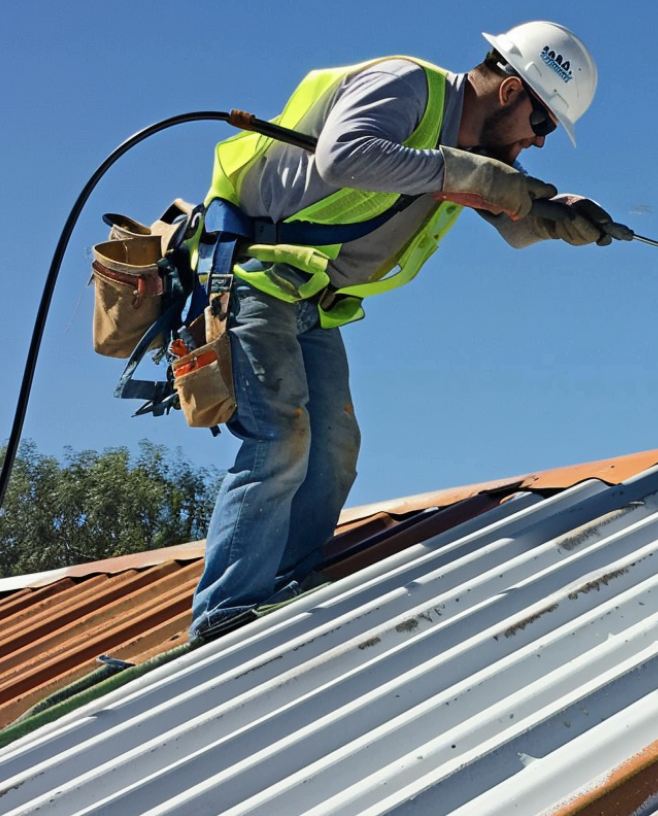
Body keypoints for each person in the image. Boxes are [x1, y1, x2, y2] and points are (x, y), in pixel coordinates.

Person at [189, 21, 613, 641]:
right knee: (280, 436)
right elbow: (344, 153)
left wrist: (555, 218)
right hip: (257, 279)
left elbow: (508, 218)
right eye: (542, 122)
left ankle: (286, 582)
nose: (539, 143)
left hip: (312, 302)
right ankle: (224, 613)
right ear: (510, 91)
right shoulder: (409, 87)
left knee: (334, 448)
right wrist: (469, 176)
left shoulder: (473, 157)